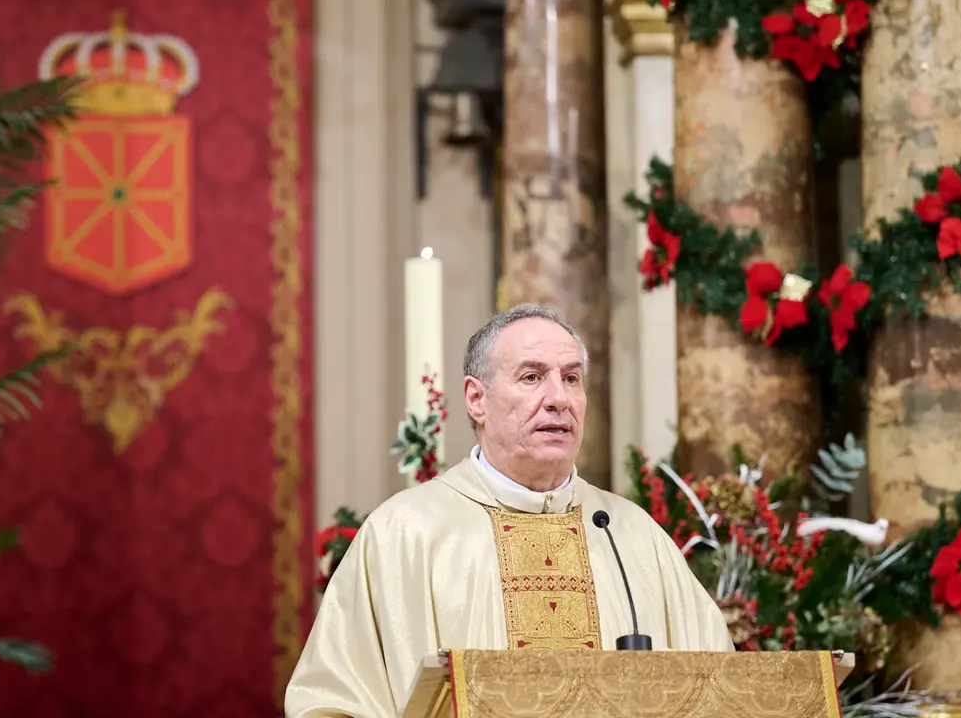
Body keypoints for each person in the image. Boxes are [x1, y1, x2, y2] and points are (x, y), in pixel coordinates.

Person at [285, 304, 733, 718]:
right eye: (532, 377)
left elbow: (722, 690)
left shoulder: (631, 535)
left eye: (571, 378)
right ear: (476, 399)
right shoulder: (404, 534)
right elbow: (329, 703)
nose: (559, 398)